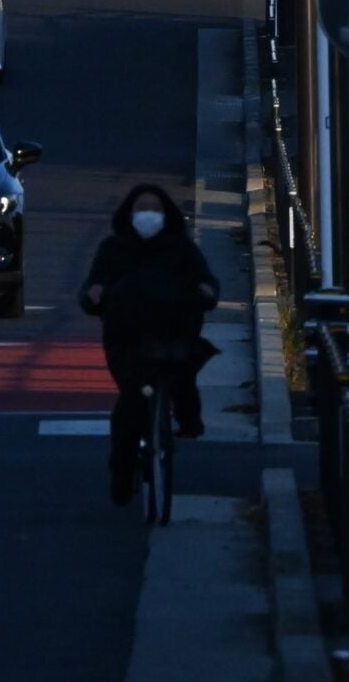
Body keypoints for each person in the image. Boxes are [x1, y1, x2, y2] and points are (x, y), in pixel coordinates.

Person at [81, 183, 219, 507]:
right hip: (127, 338)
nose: (149, 216)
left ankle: (188, 422)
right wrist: (94, 294)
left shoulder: (181, 249)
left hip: (173, 332)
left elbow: (205, 280)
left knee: (183, 374)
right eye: (143, 209)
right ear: (129, 214)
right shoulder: (113, 249)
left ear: (166, 214)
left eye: (155, 209)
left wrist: (206, 291)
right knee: (132, 399)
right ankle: (122, 469)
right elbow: (93, 285)